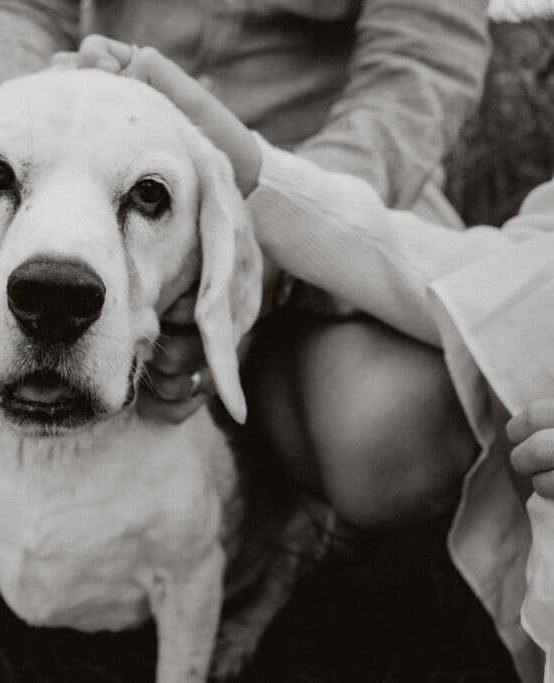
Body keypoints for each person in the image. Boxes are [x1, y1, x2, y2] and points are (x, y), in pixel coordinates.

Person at [58, 34, 554, 682]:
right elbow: (510, 280)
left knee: (379, 422)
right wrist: (258, 179)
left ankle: (278, 526)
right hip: (307, 211)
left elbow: (420, 66)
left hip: (361, 183)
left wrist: (248, 253)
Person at [0, 0, 493, 532]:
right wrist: (30, 135)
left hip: (340, 197)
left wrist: (270, 230)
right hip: (96, 171)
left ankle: (288, 521)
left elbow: (421, 67)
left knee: (389, 440)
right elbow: (16, 7)